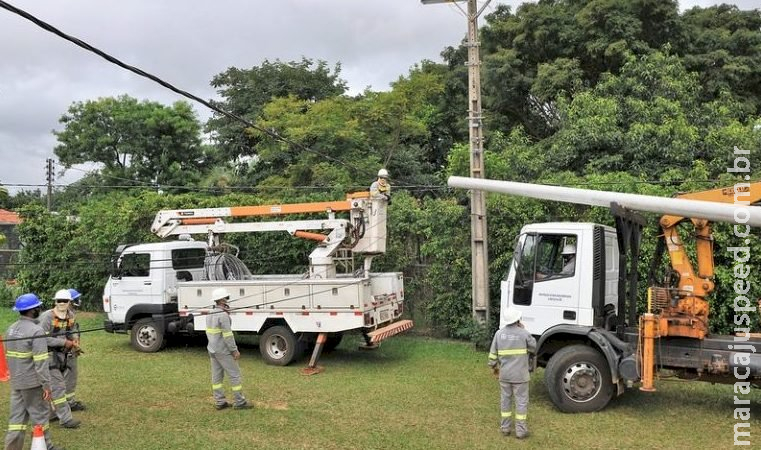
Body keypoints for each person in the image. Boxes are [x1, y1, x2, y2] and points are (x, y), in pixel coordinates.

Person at [4, 293, 64, 450]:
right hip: (33, 384)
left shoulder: (10, 330)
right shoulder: (36, 331)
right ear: (32, 310)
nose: (40, 309)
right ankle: (46, 446)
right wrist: (46, 386)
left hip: (17, 383)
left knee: (16, 420)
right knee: (40, 417)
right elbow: (41, 362)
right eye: (38, 307)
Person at [488, 307, 537, 439]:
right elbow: (534, 347)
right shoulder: (523, 333)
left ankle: (505, 428)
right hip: (521, 376)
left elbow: (492, 355)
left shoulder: (499, 334)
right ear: (517, 320)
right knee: (521, 402)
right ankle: (520, 431)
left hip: (505, 376)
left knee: (505, 401)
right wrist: (524, 329)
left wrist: (494, 367)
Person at [38, 289, 81, 429]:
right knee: (59, 387)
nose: (62, 303)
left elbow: (72, 331)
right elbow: (40, 339)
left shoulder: (71, 315)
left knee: (53, 387)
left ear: (70, 302)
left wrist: (75, 342)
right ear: (55, 302)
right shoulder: (47, 317)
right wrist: (63, 343)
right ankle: (66, 419)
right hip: (48, 355)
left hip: (63, 355)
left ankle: (50, 414)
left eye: (65, 301)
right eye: (59, 301)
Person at [206, 288, 250, 410]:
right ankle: (240, 402)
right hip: (223, 351)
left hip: (212, 350)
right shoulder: (223, 315)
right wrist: (234, 350)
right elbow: (228, 336)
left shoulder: (210, 313)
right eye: (226, 298)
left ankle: (220, 402)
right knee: (235, 375)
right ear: (222, 300)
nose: (227, 301)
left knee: (216, 377)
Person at [64, 288, 85, 412]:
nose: (79, 301)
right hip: (67, 352)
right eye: (76, 299)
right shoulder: (65, 315)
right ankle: (69, 403)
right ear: (70, 302)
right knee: (70, 378)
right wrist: (73, 347)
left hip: (68, 350)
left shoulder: (67, 314)